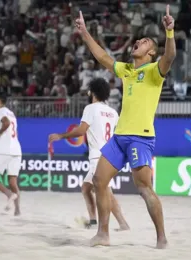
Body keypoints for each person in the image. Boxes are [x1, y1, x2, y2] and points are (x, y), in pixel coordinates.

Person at [75, 5, 176, 249]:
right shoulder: (128, 71)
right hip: (119, 137)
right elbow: (102, 58)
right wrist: (86, 34)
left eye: (144, 42)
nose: (138, 42)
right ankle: (103, 234)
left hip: (140, 138)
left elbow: (170, 56)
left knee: (143, 188)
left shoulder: (155, 70)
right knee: (99, 181)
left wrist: (169, 32)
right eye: (138, 40)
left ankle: (161, 237)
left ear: (151, 52)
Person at [48, 78, 129, 231]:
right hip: (110, 155)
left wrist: (61, 136)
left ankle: (123, 224)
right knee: (86, 188)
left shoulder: (91, 108)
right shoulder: (113, 112)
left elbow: (81, 130)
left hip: (98, 156)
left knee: (106, 191)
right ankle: (93, 221)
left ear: (93, 92)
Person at [0, 92, 22, 216]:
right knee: (12, 181)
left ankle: (8, 194)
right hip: (16, 149)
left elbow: (6, 124)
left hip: (5, 150)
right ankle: (17, 211)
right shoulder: (11, 113)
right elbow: (12, 130)